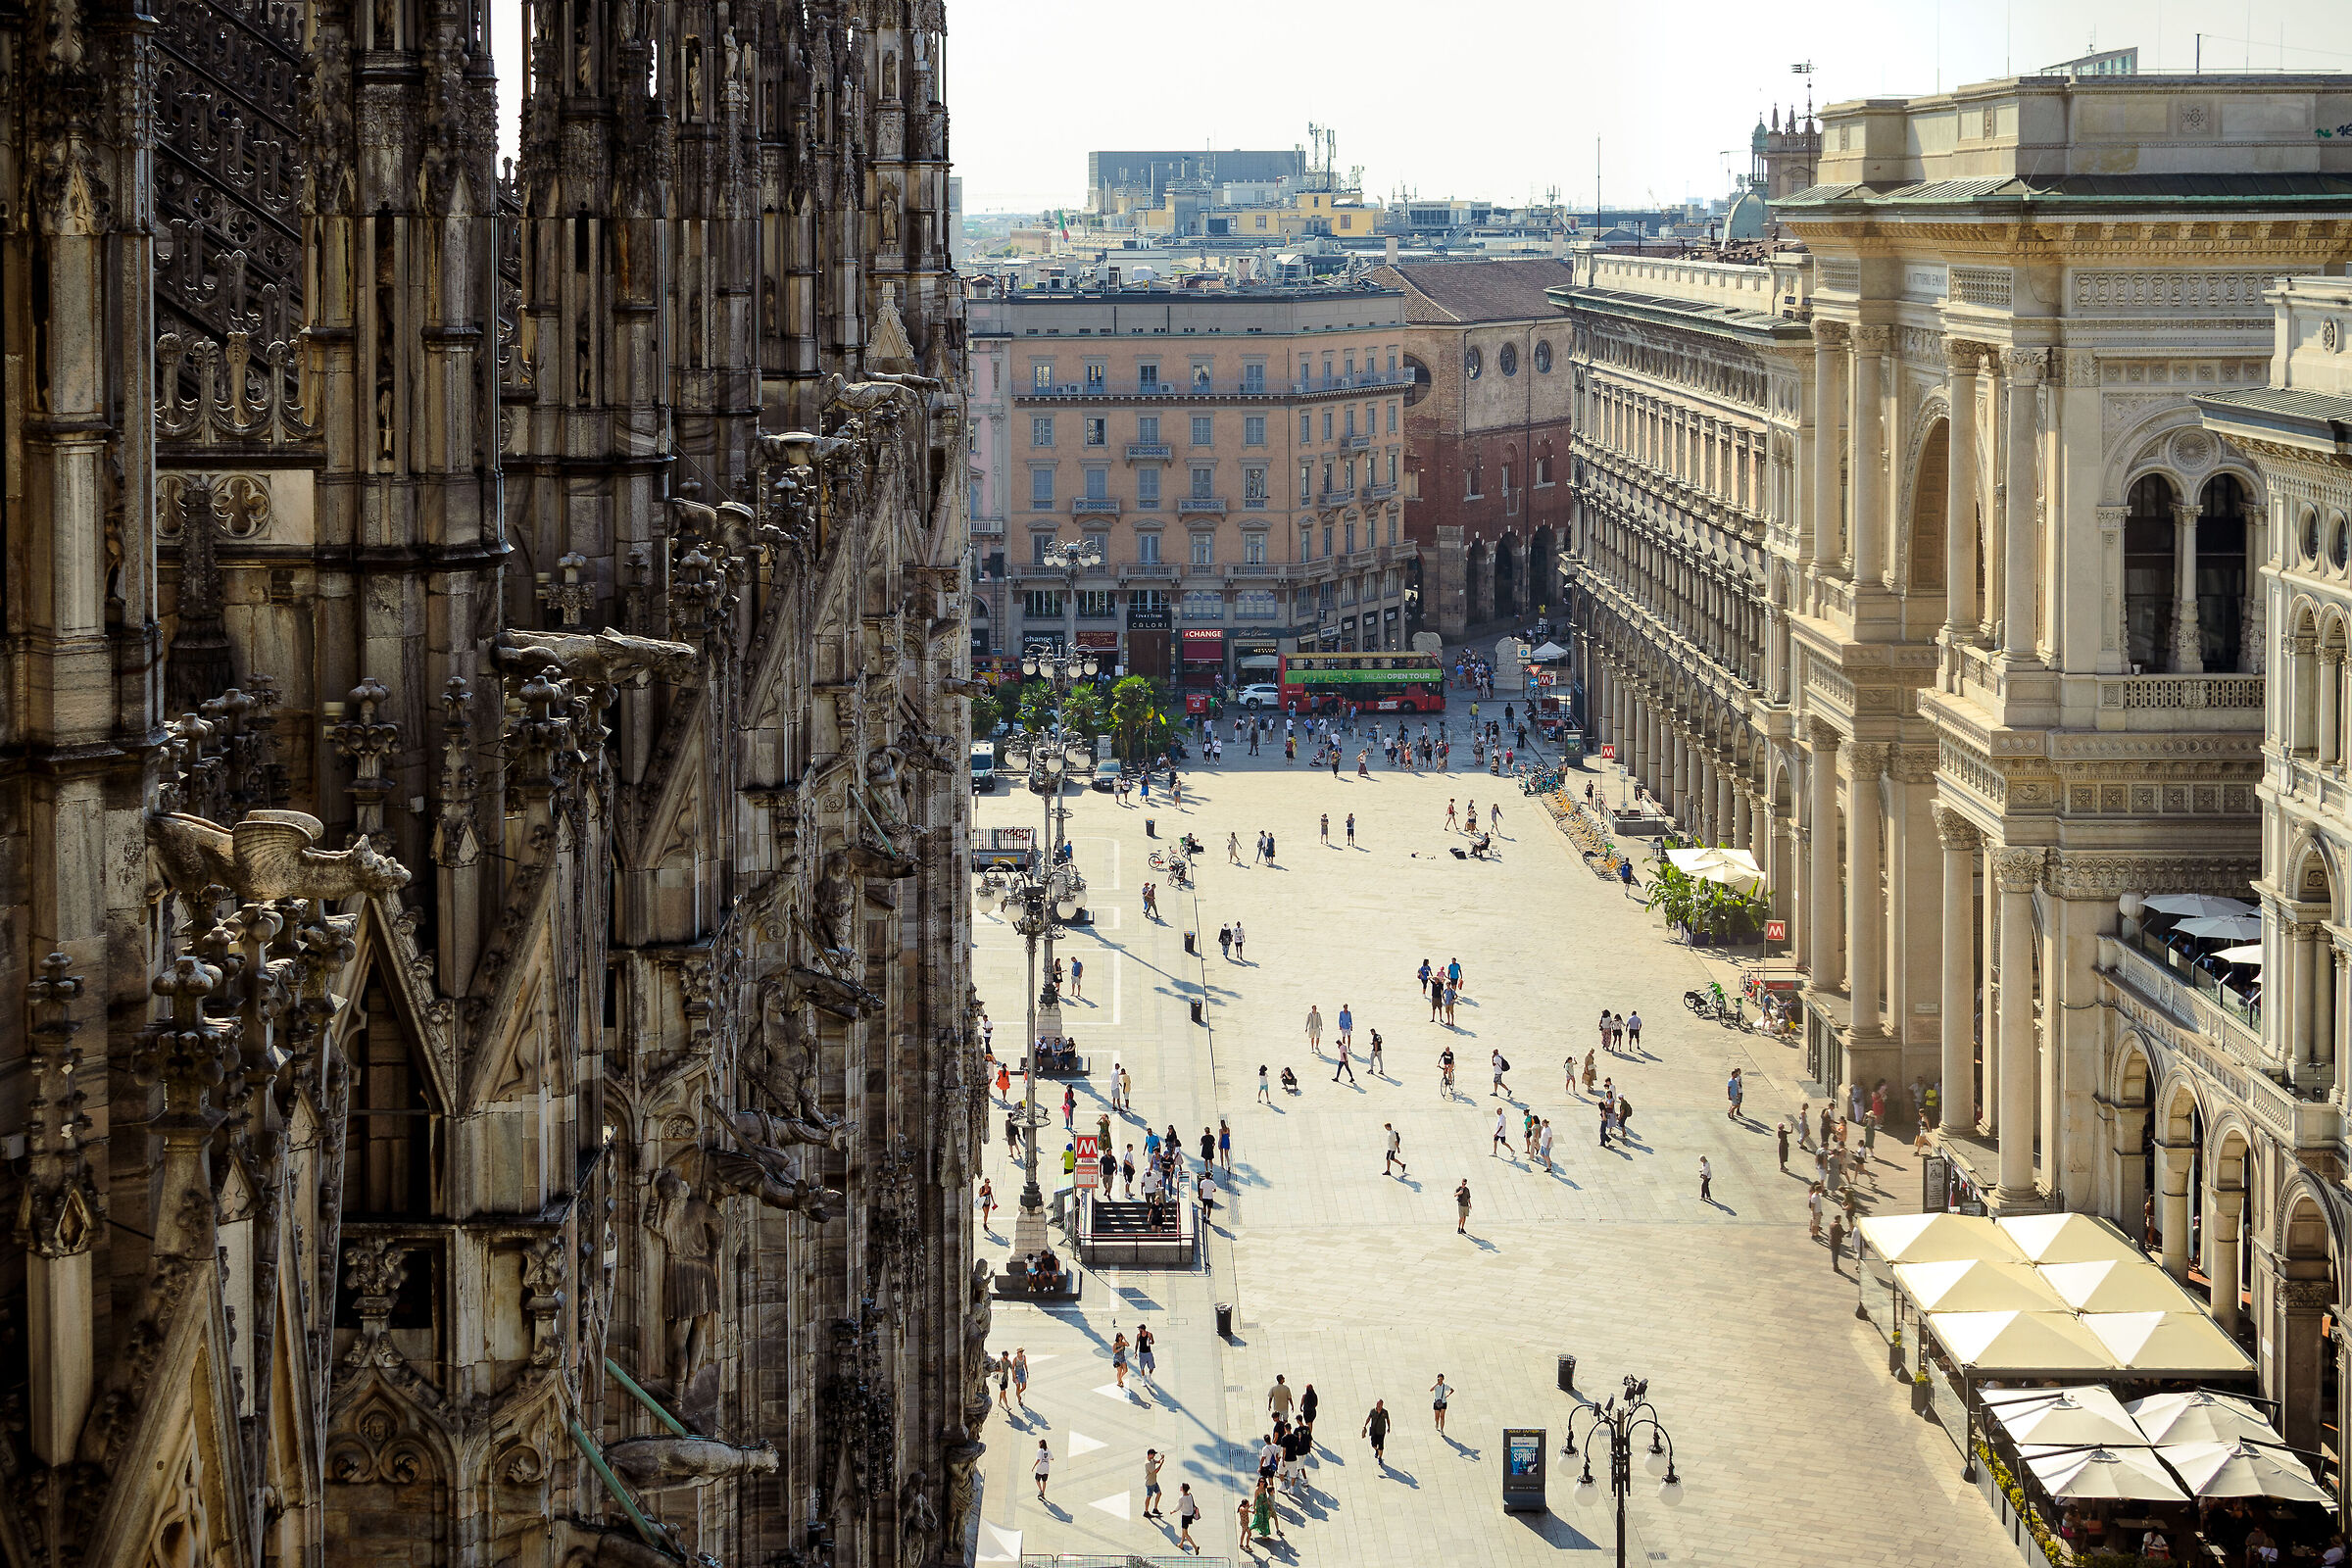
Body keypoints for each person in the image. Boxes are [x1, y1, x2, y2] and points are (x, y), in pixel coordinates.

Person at [1363, 1398, 1392, 1463]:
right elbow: (1369, 1418)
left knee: (1381, 1446)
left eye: (1380, 1404)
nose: (1378, 1406)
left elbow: (1387, 1420)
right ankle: (1377, 1450)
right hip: (1374, 1430)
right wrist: (1365, 1425)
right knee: (1373, 1444)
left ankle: (1380, 1457)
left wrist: (1389, 1427)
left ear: (1382, 1405)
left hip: (1381, 1431)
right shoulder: (1373, 1411)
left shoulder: (1385, 1412)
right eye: (1377, 1404)